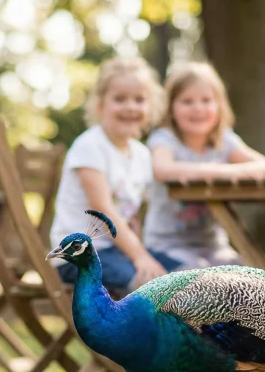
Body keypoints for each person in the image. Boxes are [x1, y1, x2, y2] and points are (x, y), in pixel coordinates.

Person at [49, 56, 181, 293]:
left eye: (139, 99)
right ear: (100, 105)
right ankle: (143, 328)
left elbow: (132, 217)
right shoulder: (90, 146)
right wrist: (140, 257)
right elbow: (103, 212)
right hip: (80, 256)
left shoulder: (141, 154)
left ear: (151, 107)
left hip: (117, 252)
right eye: (120, 99)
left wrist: (141, 253)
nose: (130, 106)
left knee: (182, 273)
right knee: (152, 286)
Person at [144, 62, 265, 270]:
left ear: (219, 106)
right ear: (170, 108)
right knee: (199, 280)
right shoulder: (165, 140)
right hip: (167, 246)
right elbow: (162, 170)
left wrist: (234, 170)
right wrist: (221, 171)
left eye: (206, 100)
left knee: (247, 278)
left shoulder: (225, 141)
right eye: (187, 101)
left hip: (213, 246)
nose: (198, 109)